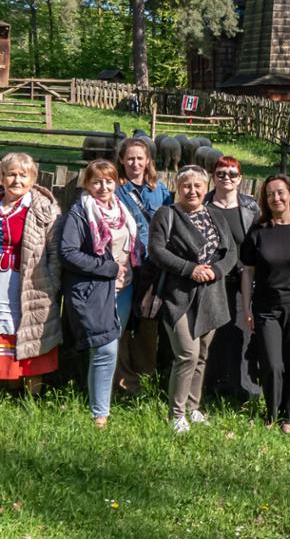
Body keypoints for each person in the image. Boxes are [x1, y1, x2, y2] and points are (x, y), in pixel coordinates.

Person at [148, 165, 239, 433]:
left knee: (202, 355)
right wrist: (190, 269)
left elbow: (231, 251)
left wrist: (217, 270)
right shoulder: (167, 214)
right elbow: (156, 250)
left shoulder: (215, 215)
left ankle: (193, 407)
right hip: (178, 295)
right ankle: (176, 414)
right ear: (178, 188)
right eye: (186, 185)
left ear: (205, 187)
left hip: (211, 294)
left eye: (198, 185)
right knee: (187, 354)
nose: (192, 190)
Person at [0, 152, 63, 393]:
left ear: (33, 179)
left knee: (30, 331)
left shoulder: (44, 208)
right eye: (11, 174)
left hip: (29, 283)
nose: (16, 181)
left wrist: (51, 283)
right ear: (1, 177)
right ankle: (4, 389)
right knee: (0, 332)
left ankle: (31, 393)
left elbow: (55, 251)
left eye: (23, 175)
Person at [59, 160, 142, 427]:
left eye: (108, 181)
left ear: (117, 182)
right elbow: (68, 253)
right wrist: (108, 268)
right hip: (93, 289)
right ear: (87, 184)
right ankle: (100, 414)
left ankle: (99, 398)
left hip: (123, 288)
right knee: (104, 348)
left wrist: (128, 269)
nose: (103, 186)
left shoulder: (122, 209)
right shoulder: (80, 213)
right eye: (97, 181)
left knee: (110, 346)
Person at [240, 174, 290, 434]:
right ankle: (271, 413)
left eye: (280, 192)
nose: (276, 197)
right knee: (273, 364)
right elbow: (247, 272)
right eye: (270, 194)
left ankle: (289, 417)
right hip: (266, 307)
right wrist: (247, 308)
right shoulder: (259, 231)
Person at [112, 136, 173, 396]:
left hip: (152, 266)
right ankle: (125, 381)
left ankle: (146, 375)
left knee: (148, 321)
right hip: (125, 265)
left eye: (140, 158)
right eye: (130, 158)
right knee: (121, 323)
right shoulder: (115, 190)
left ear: (148, 160)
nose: (135, 163)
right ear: (122, 161)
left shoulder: (159, 190)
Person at [204, 156, 263, 401]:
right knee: (214, 335)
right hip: (212, 282)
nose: (226, 178)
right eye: (220, 173)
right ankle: (211, 388)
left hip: (243, 282)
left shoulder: (250, 207)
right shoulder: (204, 205)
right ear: (213, 176)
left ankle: (243, 390)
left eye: (231, 174)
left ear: (240, 178)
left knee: (242, 333)